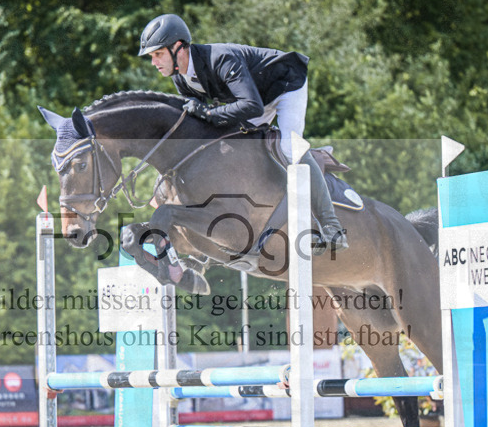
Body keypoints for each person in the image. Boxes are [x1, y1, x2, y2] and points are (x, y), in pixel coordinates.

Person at [138, 13, 348, 250]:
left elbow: (251, 106)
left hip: (284, 87)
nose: (154, 62)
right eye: (152, 56)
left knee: (290, 149)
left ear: (178, 47)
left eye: (158, 54)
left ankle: (332, 227)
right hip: (253, 98)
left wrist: (208, 113)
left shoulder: (221, 58)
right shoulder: (182, 78)